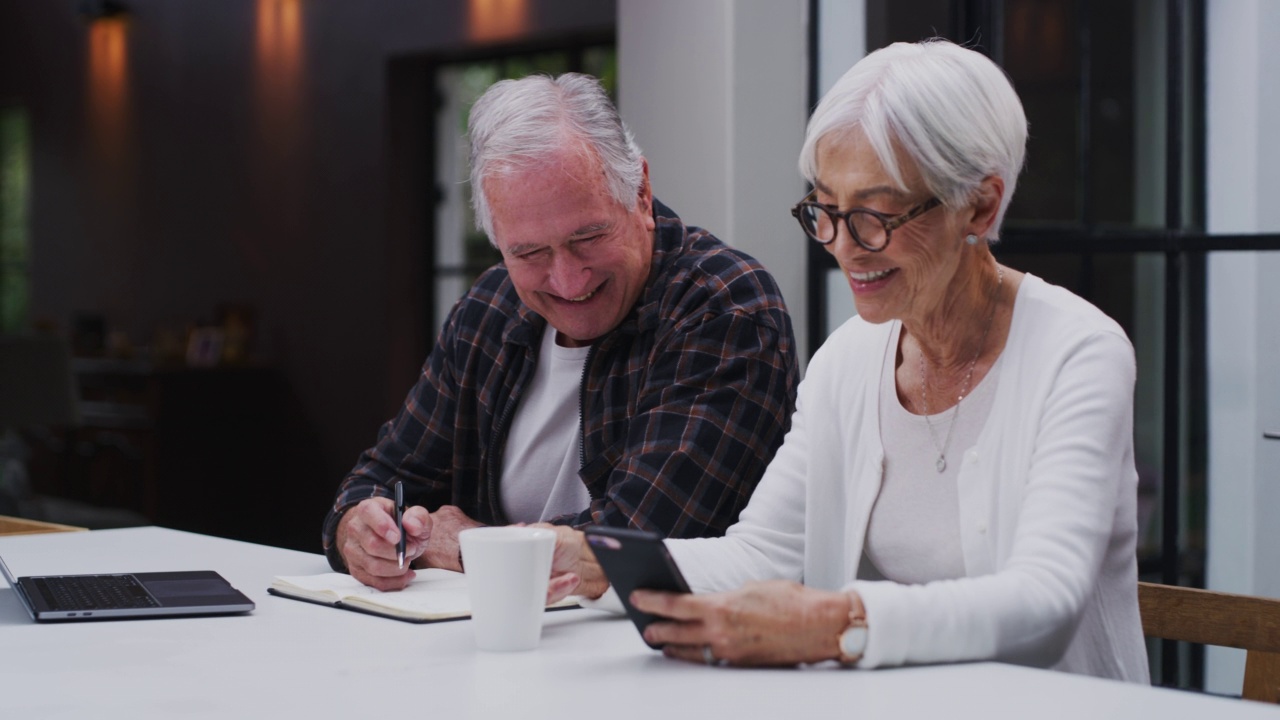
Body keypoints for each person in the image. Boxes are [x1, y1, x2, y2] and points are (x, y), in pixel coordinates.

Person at [547, 39, 1149, 682]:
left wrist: (834, 624)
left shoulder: (1080, 353)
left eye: (876, 215)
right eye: (826, 211)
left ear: (980, 204)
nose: (844, 247)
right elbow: (759, 557)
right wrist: (590, 559)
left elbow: (1044, 602)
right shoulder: (847, 362)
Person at [323, 73, 799, 591]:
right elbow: (383, 478)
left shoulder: (724, 307)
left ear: (640, 192)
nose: (569, 281)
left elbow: (638, 543)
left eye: (589, 236)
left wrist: (463, 546)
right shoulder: (491, 306)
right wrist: (360, 530)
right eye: (528, 253)